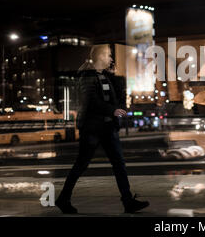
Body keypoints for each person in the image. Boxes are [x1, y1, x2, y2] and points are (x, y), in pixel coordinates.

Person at [55, 44, 149, 214]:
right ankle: (63, 199)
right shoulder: (87, 76)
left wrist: (116, 79)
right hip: (92, 128)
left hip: (107, 127)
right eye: (108, 55)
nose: (111, 59)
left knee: (119, 163)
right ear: (99, 57)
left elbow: (115, 98)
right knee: (82, 164)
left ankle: (128, 202)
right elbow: (90, 101)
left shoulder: (104, 76)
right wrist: (112, 110)